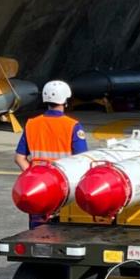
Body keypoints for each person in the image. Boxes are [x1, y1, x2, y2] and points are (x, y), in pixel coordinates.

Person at [15, 80, 87, 228]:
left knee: (37, 233)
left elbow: (19, 158)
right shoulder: (72, 126)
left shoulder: (32, 124)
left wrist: (33, 176)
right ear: (65, 100)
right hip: (63, 189)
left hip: (39, 189)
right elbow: (82, 160)